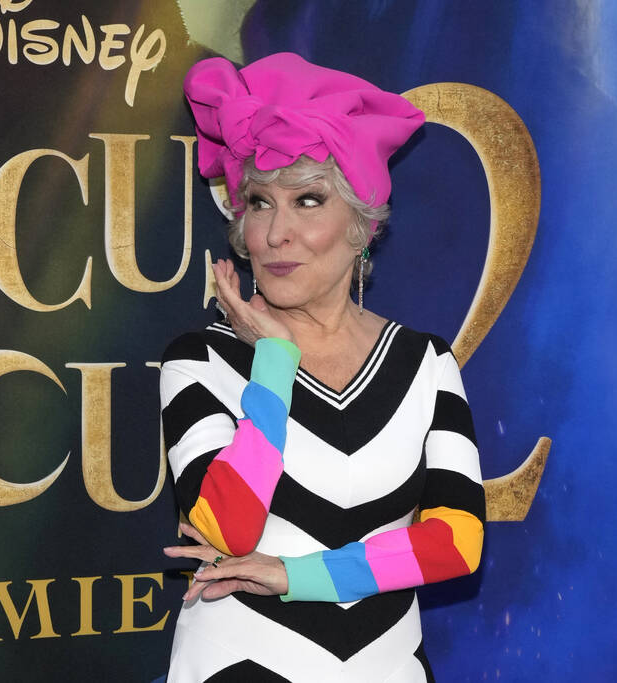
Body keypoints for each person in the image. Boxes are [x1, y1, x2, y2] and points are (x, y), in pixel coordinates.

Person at [160, 52, 485, 682]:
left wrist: (295, 575)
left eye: (308, 200)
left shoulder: (426, 362)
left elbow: (456, 542)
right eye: (259, 203)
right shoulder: (199, 360)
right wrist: (275, 362)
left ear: (362, 225)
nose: (275, 233)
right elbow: (230, 527)